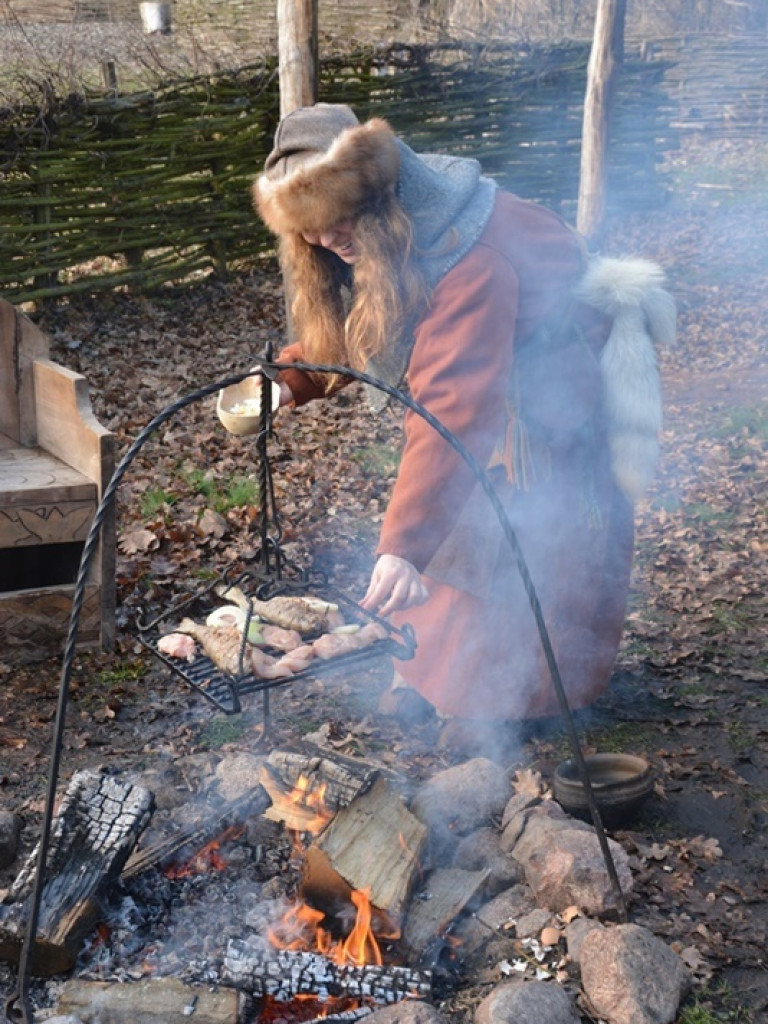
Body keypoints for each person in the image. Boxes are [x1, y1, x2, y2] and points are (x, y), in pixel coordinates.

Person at [251, 103, 675, 750]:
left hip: (552, 396)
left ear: (374, 197)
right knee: (458, 527)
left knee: (524, 539)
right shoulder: (390, 226)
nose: (323, 239)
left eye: (333, 219)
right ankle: (437, 681)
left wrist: (402, 545)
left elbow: (453, 407)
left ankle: (510, 705)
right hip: (490, 390)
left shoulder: (467, 257)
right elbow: (361, 329)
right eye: (305, 228)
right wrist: (289, 380)